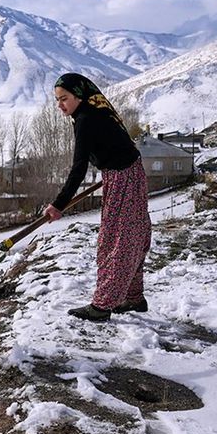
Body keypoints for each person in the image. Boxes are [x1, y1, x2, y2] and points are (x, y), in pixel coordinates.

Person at [43, 73, 152, 322]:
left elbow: (79, 167)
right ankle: (134, 298)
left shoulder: (86, 119)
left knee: (117, 241)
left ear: (79, 96)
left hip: (123, 177)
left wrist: (58, 204)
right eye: (57, 100)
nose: (60, 105)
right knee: (132, 235)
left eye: (64, 99)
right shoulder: (94, 110)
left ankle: (102, 306)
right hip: (128, 174)